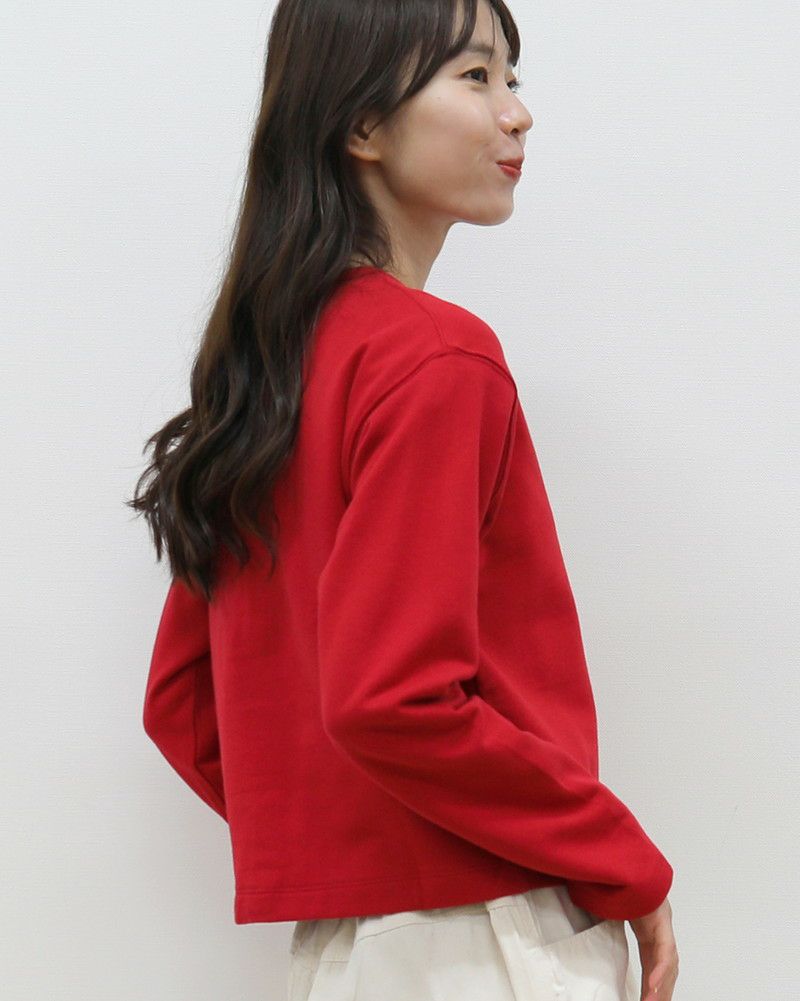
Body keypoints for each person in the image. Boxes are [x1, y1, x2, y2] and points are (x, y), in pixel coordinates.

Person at [128, 1, 680, 999]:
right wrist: (619, 857)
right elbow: (391, 696)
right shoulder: (434, 356)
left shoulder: (271, 376)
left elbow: (183, 703)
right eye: (474, 76)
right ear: (361, 123)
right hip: (490, 941)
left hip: (346, 958)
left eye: (511, 77)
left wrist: (351, 844)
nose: (516, 112)